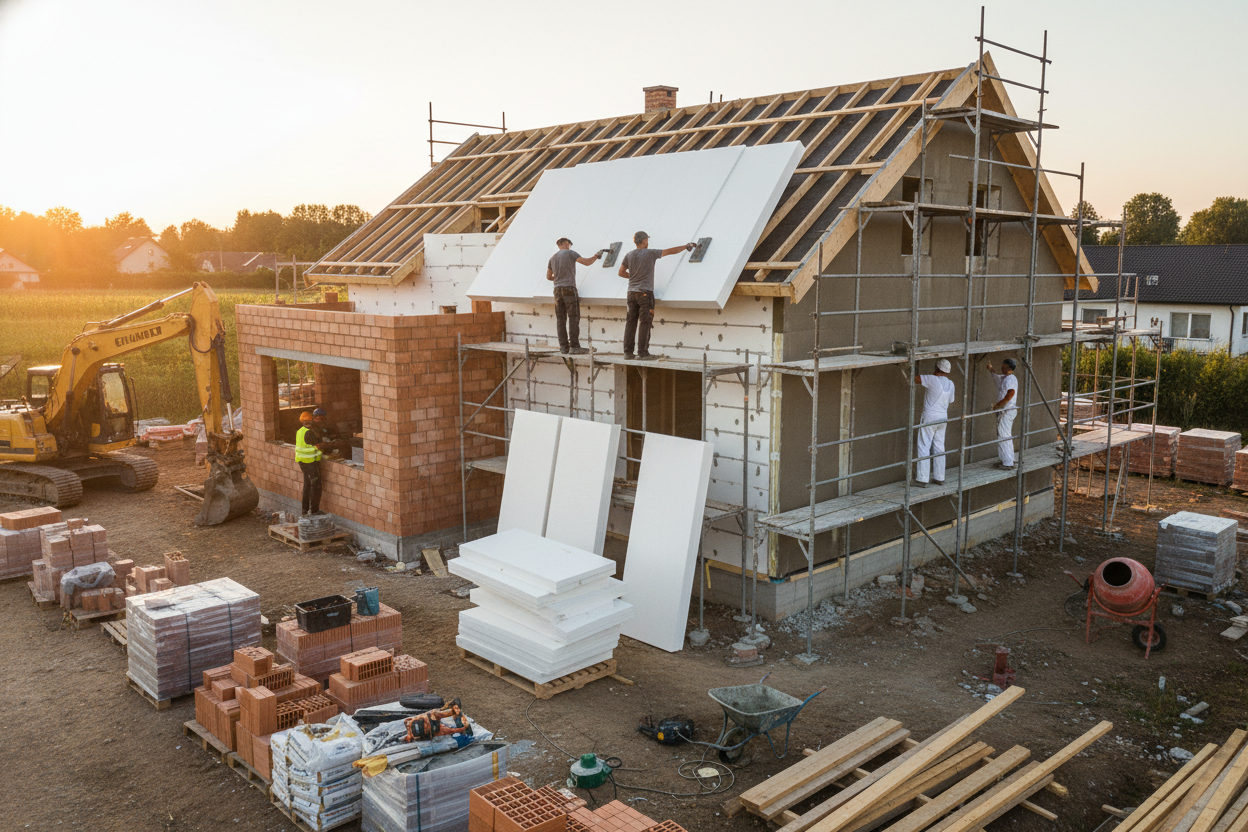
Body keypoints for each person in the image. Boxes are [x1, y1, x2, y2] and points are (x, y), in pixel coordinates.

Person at [618, 231, 695, 360]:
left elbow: (621, 272)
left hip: (631, 293)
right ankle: (642, 353)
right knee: (645, 322)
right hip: (644, 293)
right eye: (647, 240)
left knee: (630, 322)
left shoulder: (629, 255)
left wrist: (633, 276)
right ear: (644, 241)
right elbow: (669, 251)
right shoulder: (650, 253)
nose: (648, 242)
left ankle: (628, 352)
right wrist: (686, 246)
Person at [547, 238, 602, 355]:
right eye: (569, 244)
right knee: (573, 317)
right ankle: (575, 346)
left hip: (557, 290)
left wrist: (557, 278)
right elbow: (587, 262)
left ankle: (563, 347)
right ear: (566, 244)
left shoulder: (552, 258)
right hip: (569, 289)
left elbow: (548, 276)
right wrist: (596, 256)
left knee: (561, 319)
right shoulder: (570, 253)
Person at [911, 358, 956, 486]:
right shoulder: (951, 384)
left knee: (924, 445)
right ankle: (939, 477)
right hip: (943, 417)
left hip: (930, 417)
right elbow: (951, 400)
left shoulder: (932, 379)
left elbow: (915, 379)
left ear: (937, 368)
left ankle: (922, 478)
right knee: (939, 447)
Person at [295, 408, 334, 515]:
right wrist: (327, 445)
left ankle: (305, 509)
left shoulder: (300, 431)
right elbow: (317, 446)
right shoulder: (309, 433)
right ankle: (314, 511)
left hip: (302, 461)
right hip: (309, 462)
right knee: (316, 485)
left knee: (307, 484)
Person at [987, 358, 1019, 469]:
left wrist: (998, 405)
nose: (1002, 368)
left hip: (1006, 410)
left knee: (1003, 435)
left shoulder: (1010, 378)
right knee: (1005, 435)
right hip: (1007, 410)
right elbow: (997, 378)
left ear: (1008, 368)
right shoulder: (1005, 377)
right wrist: (991, 370)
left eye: (1004, 367)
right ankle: (1007, 459)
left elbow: (1011, 393)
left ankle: (1008, 463)